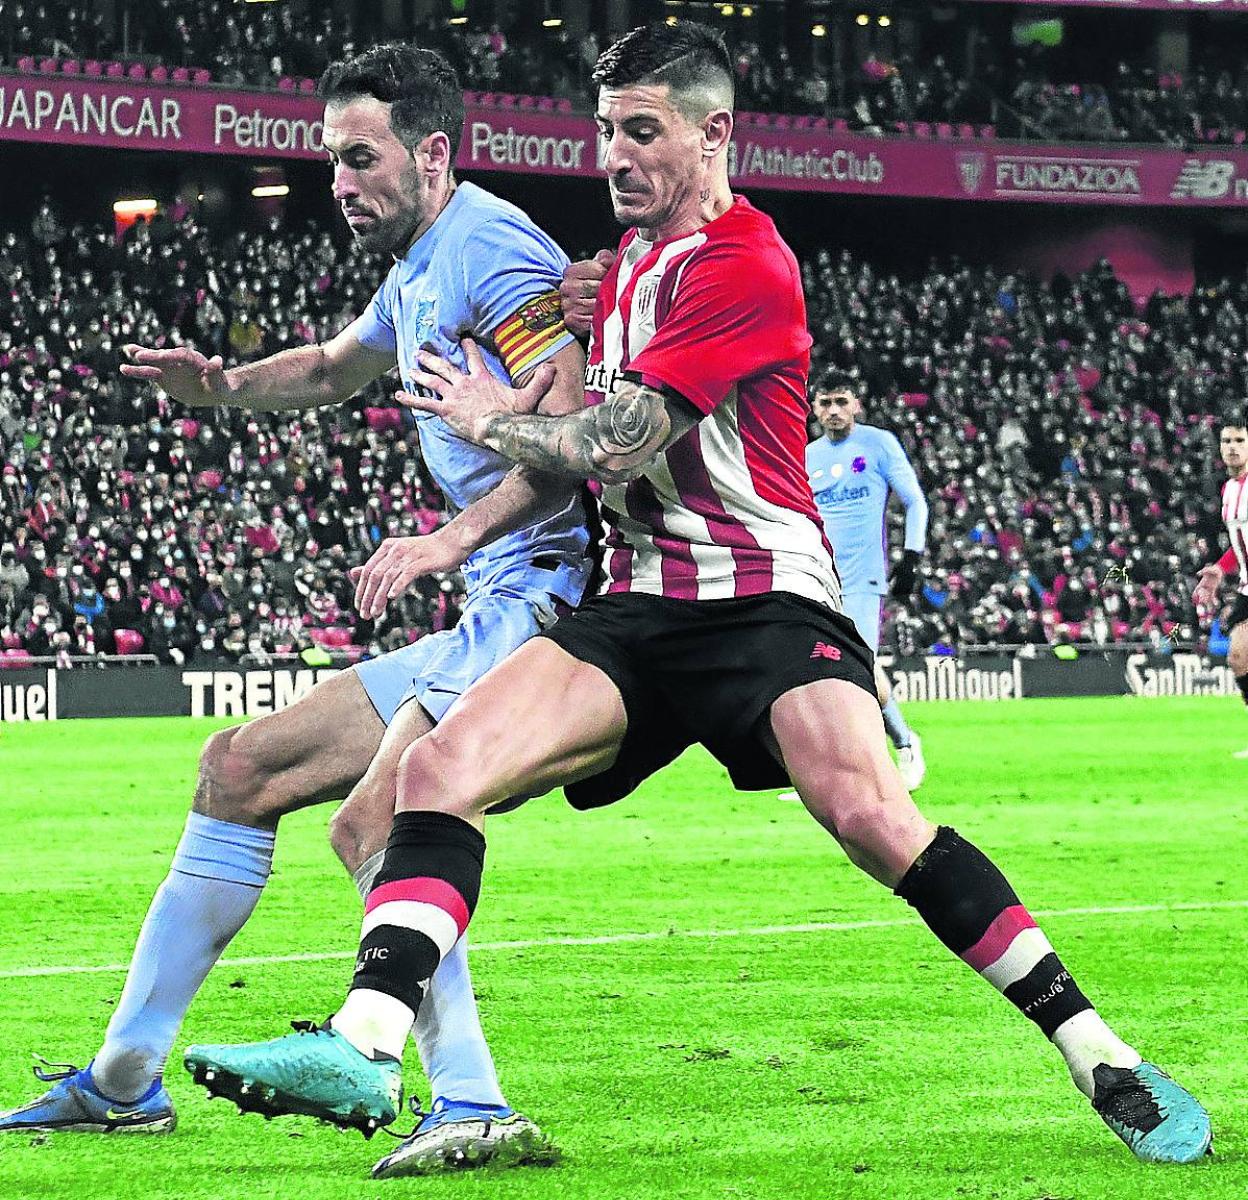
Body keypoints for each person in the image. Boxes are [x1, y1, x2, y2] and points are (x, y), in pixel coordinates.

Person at [183, 20, 1212, 1175]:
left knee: (874, 822)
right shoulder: (616, 274)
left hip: (769, 604)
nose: (613, 158)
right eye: (603, 133)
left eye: (641, 133)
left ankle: (1098, 1053)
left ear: (714, 135)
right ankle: (366, 1045)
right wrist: (457, 492)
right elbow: (524, 428)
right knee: (437, 768)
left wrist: (485, 416)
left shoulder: (746, 267)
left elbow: (615, 445)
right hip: (637, 609)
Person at [0, 43, 593, 1176]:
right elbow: (330, 368)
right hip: (491, 600)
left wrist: (448, 537)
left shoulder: (494, 247)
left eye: (359, 158)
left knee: (376, 822)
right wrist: (219, 386)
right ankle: (124, 1083)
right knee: (239, 767)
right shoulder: (421, 262)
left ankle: (471, 1100)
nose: (341, 183)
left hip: (550, 600)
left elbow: (567, 438)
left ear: (432, 151)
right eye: (331, 161)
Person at [785, 374, 928, 792]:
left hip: (863, 578)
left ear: (856, 405)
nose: (833, 410)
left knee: (857, 665)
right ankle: (823, 773)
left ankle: (904, 742)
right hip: (816, 577)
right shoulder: (805, 456)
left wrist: (912, 556)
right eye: (825, 402)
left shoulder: (878, 444)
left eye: (841, 402)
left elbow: (915, 500)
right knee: (810, 672)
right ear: (814, 408)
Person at [1192, 416, 1248, 757]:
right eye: (1227, 441)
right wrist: (1219, 569)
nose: (1232, 447)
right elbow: (1239, 544)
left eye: (1240, 441)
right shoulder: (1229, 490)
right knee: (1238, 657)